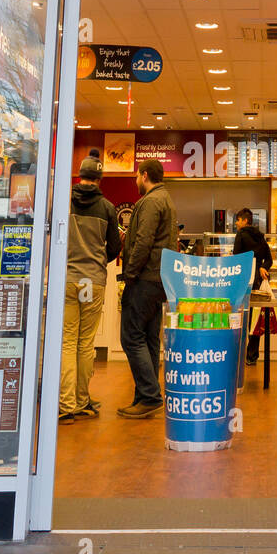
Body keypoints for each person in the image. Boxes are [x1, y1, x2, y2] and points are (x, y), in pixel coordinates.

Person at [58, 156, 121, 425]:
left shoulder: (64, 200)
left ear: (78, 175)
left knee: (67, 341)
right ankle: (82, 400)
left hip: (68, 278)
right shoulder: (107, 208)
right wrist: (96, 262)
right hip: (93, 281)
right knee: (85, 342)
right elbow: (116, 248)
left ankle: (65, 404)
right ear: (99, 179)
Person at [117, 158, 177, 418]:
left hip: (145, 279)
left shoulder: (151, 201)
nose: (135, 181)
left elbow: (143, 241)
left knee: (131, 336)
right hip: (160, 279)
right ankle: (145, 396)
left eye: (135, 176)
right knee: (150, 338)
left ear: (143, 176)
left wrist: (129, 274)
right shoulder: (166, 199)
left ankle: (150, 395)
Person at [232, 207, 273, 365]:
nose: (236, 223)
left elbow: (236, 258)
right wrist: (263, 267)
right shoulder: (261, 237)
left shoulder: (241, 235)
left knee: (242, 317)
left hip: (242, 281)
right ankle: (252, 355)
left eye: (238, 219)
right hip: (257, 281)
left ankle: (238, 354)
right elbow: (269, 259)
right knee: (255, 319)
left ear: (245, 221)